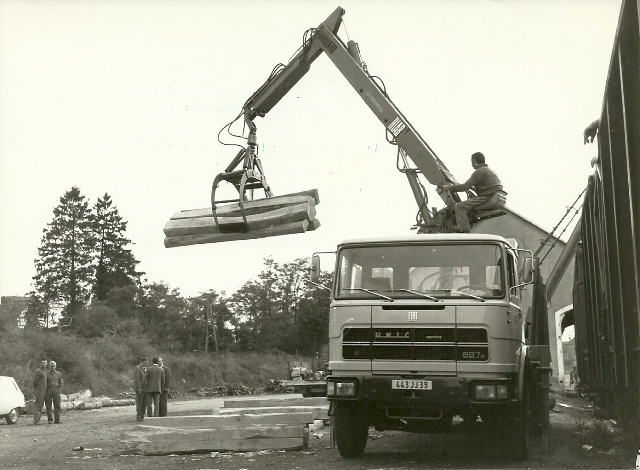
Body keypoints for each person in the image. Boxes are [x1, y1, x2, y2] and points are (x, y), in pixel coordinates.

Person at [440, 152, 504, 233]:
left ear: (474, 161)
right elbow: (484, 186)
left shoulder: (479, 171)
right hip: (493, 196)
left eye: (471, 162)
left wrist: (448, 187)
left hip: (487, 197)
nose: (472, 164)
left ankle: (464, 231)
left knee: (460, 206)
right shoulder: (489, 171)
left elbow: (464, 187)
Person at [32, 360, 48, 425]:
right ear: (40, 364)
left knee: (41, 405)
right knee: (38, 404)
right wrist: (36, 389)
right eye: (43, 363)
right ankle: (36, 420)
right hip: (39, 389)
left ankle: (38, 419)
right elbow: (35, 381)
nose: (44, 365)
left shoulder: (45, 372)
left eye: (45, 363)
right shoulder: (38, 371)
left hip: (44, 390)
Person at [133, 357, 148, 421]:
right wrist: (139, 388)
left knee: (145, 403)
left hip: (146, 389)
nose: (146, 363)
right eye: (144, 362)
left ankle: (142, 415)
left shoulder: (146, 369)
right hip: (140, 389)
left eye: (147, 362)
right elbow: (137, 379)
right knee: (139, 403)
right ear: (141, 362)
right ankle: (138, 416)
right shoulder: (138, 368)